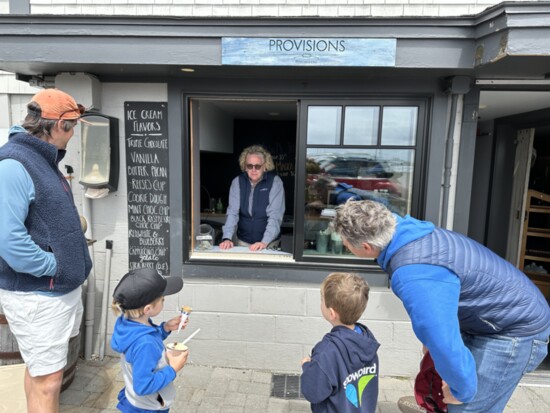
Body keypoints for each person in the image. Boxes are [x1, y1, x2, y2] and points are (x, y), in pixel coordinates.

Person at [332, 200, 550, 413]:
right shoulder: (407, 232)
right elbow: (437, 323)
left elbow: (442, 338)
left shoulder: (414, 272)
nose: (345, 245)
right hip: (494, 317)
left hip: (515, 330)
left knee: (465, 406)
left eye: (346, 243)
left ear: (367, 247)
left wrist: (461, 391)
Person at [0, 88, 92, 413]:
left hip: (53, 294)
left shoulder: (43, 161)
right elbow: (8, 240)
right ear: (56, 126)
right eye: (72, 129)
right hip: (38, 296)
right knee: (49, 382)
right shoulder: (14, 164)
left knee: (42, 374)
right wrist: (54, 265)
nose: (72, 138)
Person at [110, 267, 188, 412]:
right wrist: (173, 369)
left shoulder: (127, 322)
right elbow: (143, 386)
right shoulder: (145, 343)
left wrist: (165, 328)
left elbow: (146, 339)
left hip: (135, 401)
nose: (164, 302)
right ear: (147, 309)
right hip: (149, 407)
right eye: (162, 300)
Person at [301, 272, 380, 413]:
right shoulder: (367, 341)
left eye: (322, 299)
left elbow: (313, 392)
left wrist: (308, 367)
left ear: (332, 313)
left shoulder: (326, 351)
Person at [219, 144, 285, 251]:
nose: (253, 169)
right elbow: (232, 212)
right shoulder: (237, 182)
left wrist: (264, 242)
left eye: (257, 166)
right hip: (244, 241)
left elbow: (275, 215)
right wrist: (227, 238)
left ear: (265, 167)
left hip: (269, 243)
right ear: (245, 167)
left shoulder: (275, 182)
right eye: (250, 166)